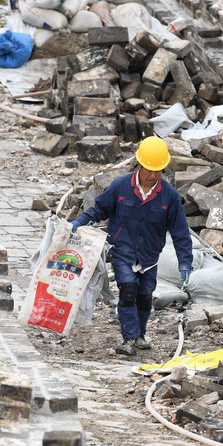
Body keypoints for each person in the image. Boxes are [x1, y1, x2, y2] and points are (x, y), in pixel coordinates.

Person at [71, 136, 194, 357]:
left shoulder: (169, 196)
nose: (153, 175)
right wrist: (79, 221)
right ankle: (128, 338)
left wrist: (185, 260)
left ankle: (140, 335)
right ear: (139, 165)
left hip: (149, 256)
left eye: (158, 171)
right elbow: (100, 209)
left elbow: (180, 232)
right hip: (123, 252)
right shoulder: (121, 186)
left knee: (145, 295)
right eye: (149, 170)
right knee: (128, 291)